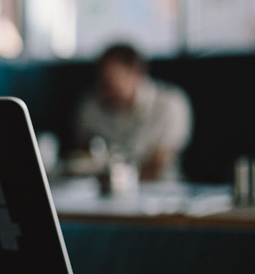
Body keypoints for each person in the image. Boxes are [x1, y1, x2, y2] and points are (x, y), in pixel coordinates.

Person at [73, 43, 193, 181]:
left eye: (111, 81)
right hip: (101, 194)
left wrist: (116, 178)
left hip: (160, 192)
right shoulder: (90, 106)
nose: (105, 91)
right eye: (102, 81)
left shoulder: (170, 104)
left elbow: (158, 166)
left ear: (136, 73)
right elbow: (82, 159)